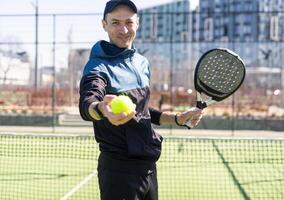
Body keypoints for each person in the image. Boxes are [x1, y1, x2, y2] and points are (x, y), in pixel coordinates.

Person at [79, 0, 203, 199]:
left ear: (138, 23)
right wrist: (101, 108)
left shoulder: (141, 63)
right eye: (115, 23)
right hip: (119, 170)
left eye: (129, 22)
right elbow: (88, 103)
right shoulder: (97, 67)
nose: (124, 29)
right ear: (104, 25)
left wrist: (178, 118)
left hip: (148, 166)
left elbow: (143, 111)